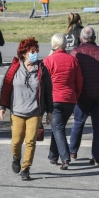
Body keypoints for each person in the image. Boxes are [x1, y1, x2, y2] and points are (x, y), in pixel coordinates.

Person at [0, 37, 53, 181]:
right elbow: (5, 87)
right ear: (23, 53)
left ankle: (26, 168)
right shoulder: (14, 68)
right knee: (16, 142)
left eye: (36, 50)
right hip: (17, 112)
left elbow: (48, 91)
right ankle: (16, 158)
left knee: (30, 141)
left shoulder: (42, 69)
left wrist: (49, 112)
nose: (35, 53)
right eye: (31, 51)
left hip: (35, 112)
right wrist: (2, 107)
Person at [69, 27, 99, 165]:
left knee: (78, 122)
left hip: (82, 94)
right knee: (98, 126)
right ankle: (96, 156)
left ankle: (72, 151)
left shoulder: (75, 53)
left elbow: (71, 74)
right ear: (94, 38)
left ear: (81, 38)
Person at [43, 33, 83, 170]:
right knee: (58, 127)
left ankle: (65, 158)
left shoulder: (48, 61)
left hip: (54, 99)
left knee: (58, 128)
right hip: (70, 99)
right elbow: (79, 82)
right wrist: (76, 96)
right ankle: (53, 156)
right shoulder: (73, 60)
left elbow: (43, 83)